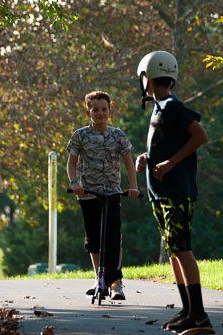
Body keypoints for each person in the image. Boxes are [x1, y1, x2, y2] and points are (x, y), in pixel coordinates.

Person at [135, 51, 213, 332]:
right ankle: (188, 312)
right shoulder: (160, 107)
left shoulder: (171, 106)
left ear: (148, 78)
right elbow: (166, 145)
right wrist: (147, 157)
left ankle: (201, 316)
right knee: (174, 251)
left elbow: (200, 135)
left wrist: (171, 163)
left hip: (177, 191)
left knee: (182, 248)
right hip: (161, 192)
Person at [66, 90, 139, 300]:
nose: (100, 113)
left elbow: (128, 163)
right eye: (95, 110)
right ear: (88, 113)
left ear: (110, 111)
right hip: (88, 193)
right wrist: (74, 183)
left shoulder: (118, 135)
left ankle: (116, 283)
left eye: (104, 109)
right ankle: (100, 278)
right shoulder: (80, 135)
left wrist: (133, 187)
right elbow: (71, 163)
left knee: (113, 238)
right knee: (93, 240)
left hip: (112, 193)